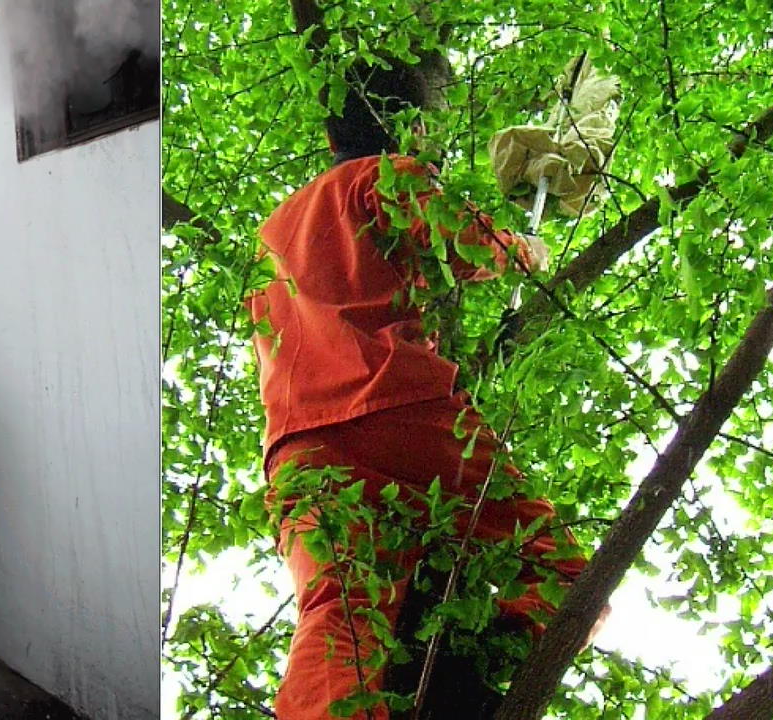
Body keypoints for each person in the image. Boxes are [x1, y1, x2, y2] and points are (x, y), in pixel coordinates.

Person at [246, 61, 605, 719]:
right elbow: (458, 240)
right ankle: (476, 664)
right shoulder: (384, 177)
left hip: (299, 450)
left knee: (341, 613)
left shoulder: (271, 234)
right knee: (567, 575)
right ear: (412, 132)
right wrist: (523, 249)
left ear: (332, 138)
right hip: (399, 407)